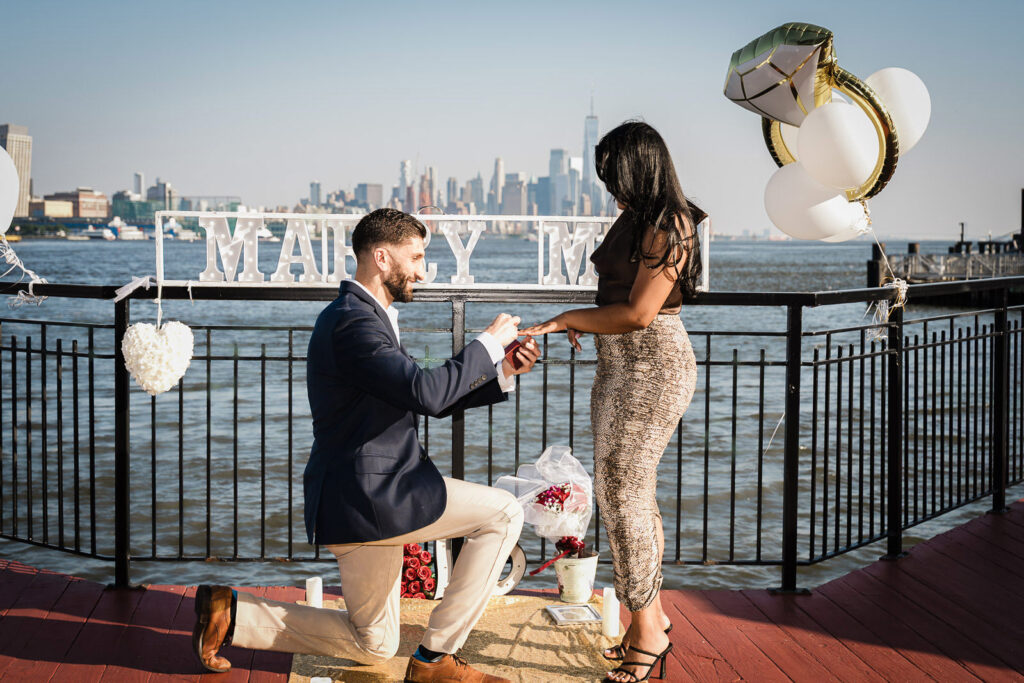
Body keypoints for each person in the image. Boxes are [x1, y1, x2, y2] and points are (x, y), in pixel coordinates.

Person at [193, 208, 540, 683]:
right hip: (374, 497)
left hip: (360, 500)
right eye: (415, 256)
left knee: (374, 645)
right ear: (381, 257)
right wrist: (488, 343)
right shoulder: (354, 323)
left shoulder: (363, 317)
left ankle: (230, 612)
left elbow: (419, 396)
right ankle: (437, 659)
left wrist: (501, 374)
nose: (422, 269)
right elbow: (425, 393)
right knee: (503, 513)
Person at [521, 121, 702, 683]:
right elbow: (617, 301)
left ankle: (646, 631)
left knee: (623, 497)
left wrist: (569, 319)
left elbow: (642, 313)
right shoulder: (640, 218)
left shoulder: (672, 223)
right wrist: (589, 320)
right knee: (629, 495)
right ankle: (651, 619)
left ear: (639, 169)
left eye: (614, 177)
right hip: (617, 365)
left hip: (652, 366)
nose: (609, 189)